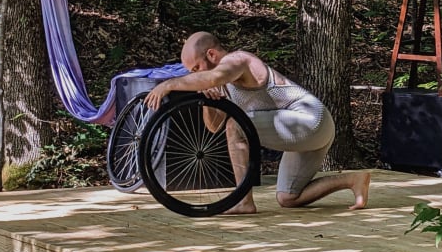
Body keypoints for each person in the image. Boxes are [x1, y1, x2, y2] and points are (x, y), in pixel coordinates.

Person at [144, 31, 371, 214]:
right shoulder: (220, 81)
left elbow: (214, 80)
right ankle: (353, 179)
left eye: (195, 69)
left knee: (236, 126)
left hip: (310, 120)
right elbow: (214, 127)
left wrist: (169, 84)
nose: (193, 75)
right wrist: (208, 100)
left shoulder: (238, 60)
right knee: (289, 197)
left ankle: (243, 202)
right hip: (304, 131)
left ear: (212, 54)